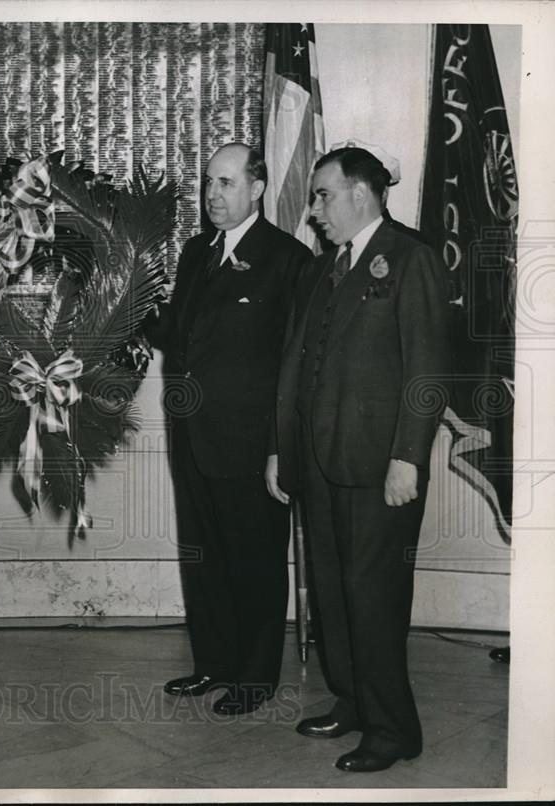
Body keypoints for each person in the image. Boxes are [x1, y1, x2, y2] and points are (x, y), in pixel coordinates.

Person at [267, 146, 449, 772]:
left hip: (379, 468)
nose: (313, 209)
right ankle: (351, 701)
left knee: (373, 597)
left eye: (322, 195)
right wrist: (281, 451)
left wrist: (409, 458)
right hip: (319, 463)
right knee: (334, 595)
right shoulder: (323, 269)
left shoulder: (410, 257)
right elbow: (296, 365)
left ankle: (394, 728)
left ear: (361, 195)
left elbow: (426, 371)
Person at [155, 143, 311, 714]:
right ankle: (214, 664)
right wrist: (123, 300)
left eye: (225, 183)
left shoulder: (288, 259)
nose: (212, 196)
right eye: (208, 184)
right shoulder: (197, 252)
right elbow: (179, 335)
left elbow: (294, 364)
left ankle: (254, 676)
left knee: (254, 560)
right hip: (193, 435)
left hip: (252, 446)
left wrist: (280, 448)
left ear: (257, 188)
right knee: (205, 556)